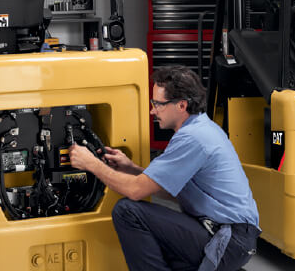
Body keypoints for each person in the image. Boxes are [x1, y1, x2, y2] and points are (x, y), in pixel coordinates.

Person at [69, 65, 260, 270]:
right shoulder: (200, 127)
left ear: (181, 105)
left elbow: (135, 191)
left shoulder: (193, 139)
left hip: (228, 239)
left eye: (158, 104)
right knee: (157, 249)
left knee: (127, 211)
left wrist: (91, 163)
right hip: (229, 234)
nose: (152, 110)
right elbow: (172, 190)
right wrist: (131, 168)